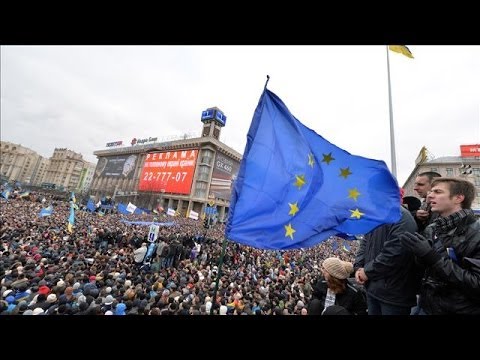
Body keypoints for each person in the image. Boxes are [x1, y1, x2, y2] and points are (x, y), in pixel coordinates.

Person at [399, 177, 480, 315]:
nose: (430, 196)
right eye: (431, 191)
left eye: (437, 191)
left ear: (458, 198)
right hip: (427, 305)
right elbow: (424, 272)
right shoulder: (432, 228)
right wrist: (417, 256)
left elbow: (476, 284)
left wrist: (432, 257)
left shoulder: (476, 233)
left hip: (460, 309)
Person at [354, 205, 421, 315]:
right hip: (372, 288)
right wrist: (358, 266)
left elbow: (395, 253)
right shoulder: (375, 216)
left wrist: (367, 272)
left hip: (393, 295)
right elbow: (365, 242)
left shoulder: (402, 217)